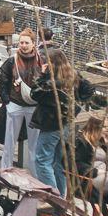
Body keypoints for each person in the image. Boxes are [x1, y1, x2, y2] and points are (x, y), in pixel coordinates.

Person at [29, 49, 77, 195]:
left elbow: (35, 93)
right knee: (58, 163)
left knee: (42, 161)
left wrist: (43, 75)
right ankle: (61, 197)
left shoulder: (52, 83)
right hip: (65, 124)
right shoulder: (70, 77)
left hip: (52, 126)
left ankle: (53, 197)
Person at [0, 32, 43, 171]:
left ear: (33, 43)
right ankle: (5, 170)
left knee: (34, 144)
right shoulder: (12, 61)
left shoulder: (42, 60)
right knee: (9, 141)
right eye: (21, 43)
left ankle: (35, 174)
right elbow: (2, 82)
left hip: (34, 106)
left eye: (26, 43)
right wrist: (7, 101)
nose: (23, 46)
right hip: (15, 104)